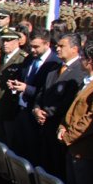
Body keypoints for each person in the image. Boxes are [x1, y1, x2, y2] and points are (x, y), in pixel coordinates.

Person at [33, 33, 87, 179]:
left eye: (62, 46)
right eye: (57, 45)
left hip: (58, 127)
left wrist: (47, 114)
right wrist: (37, 109)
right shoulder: (54, 69)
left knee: (56, 171)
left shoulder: (80, 72)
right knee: (44, 167)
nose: (57, 48)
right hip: (43, 126)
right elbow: (41, 93)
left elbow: (69, 102)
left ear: (75, 49)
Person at [8, 27, 62, 163]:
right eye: (31, 46)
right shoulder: (30, 59)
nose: (32, 50)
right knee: (18, 150)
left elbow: (47, 91)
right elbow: (23, 77)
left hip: (36, 114)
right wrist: (15, 85)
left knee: (31, 154)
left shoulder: (54, 63)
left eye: (36, 47)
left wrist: (27, 88)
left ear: (47, 44)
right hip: (20, 110)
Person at [59, 41, 93, 184]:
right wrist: (62, 127)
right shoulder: (87, 82)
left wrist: (68, 136)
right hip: (73, 149)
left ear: (89, 61)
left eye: (82, 56)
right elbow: (73, 110)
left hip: (85, 152)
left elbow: (92, 119)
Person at [0, 30, 28, 146]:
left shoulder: (22, 58)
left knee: (9, 142)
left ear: (17, 42)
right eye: (4, 40)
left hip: (11, 107)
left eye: (9, 40)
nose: (5, 43)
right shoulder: (3, 57)